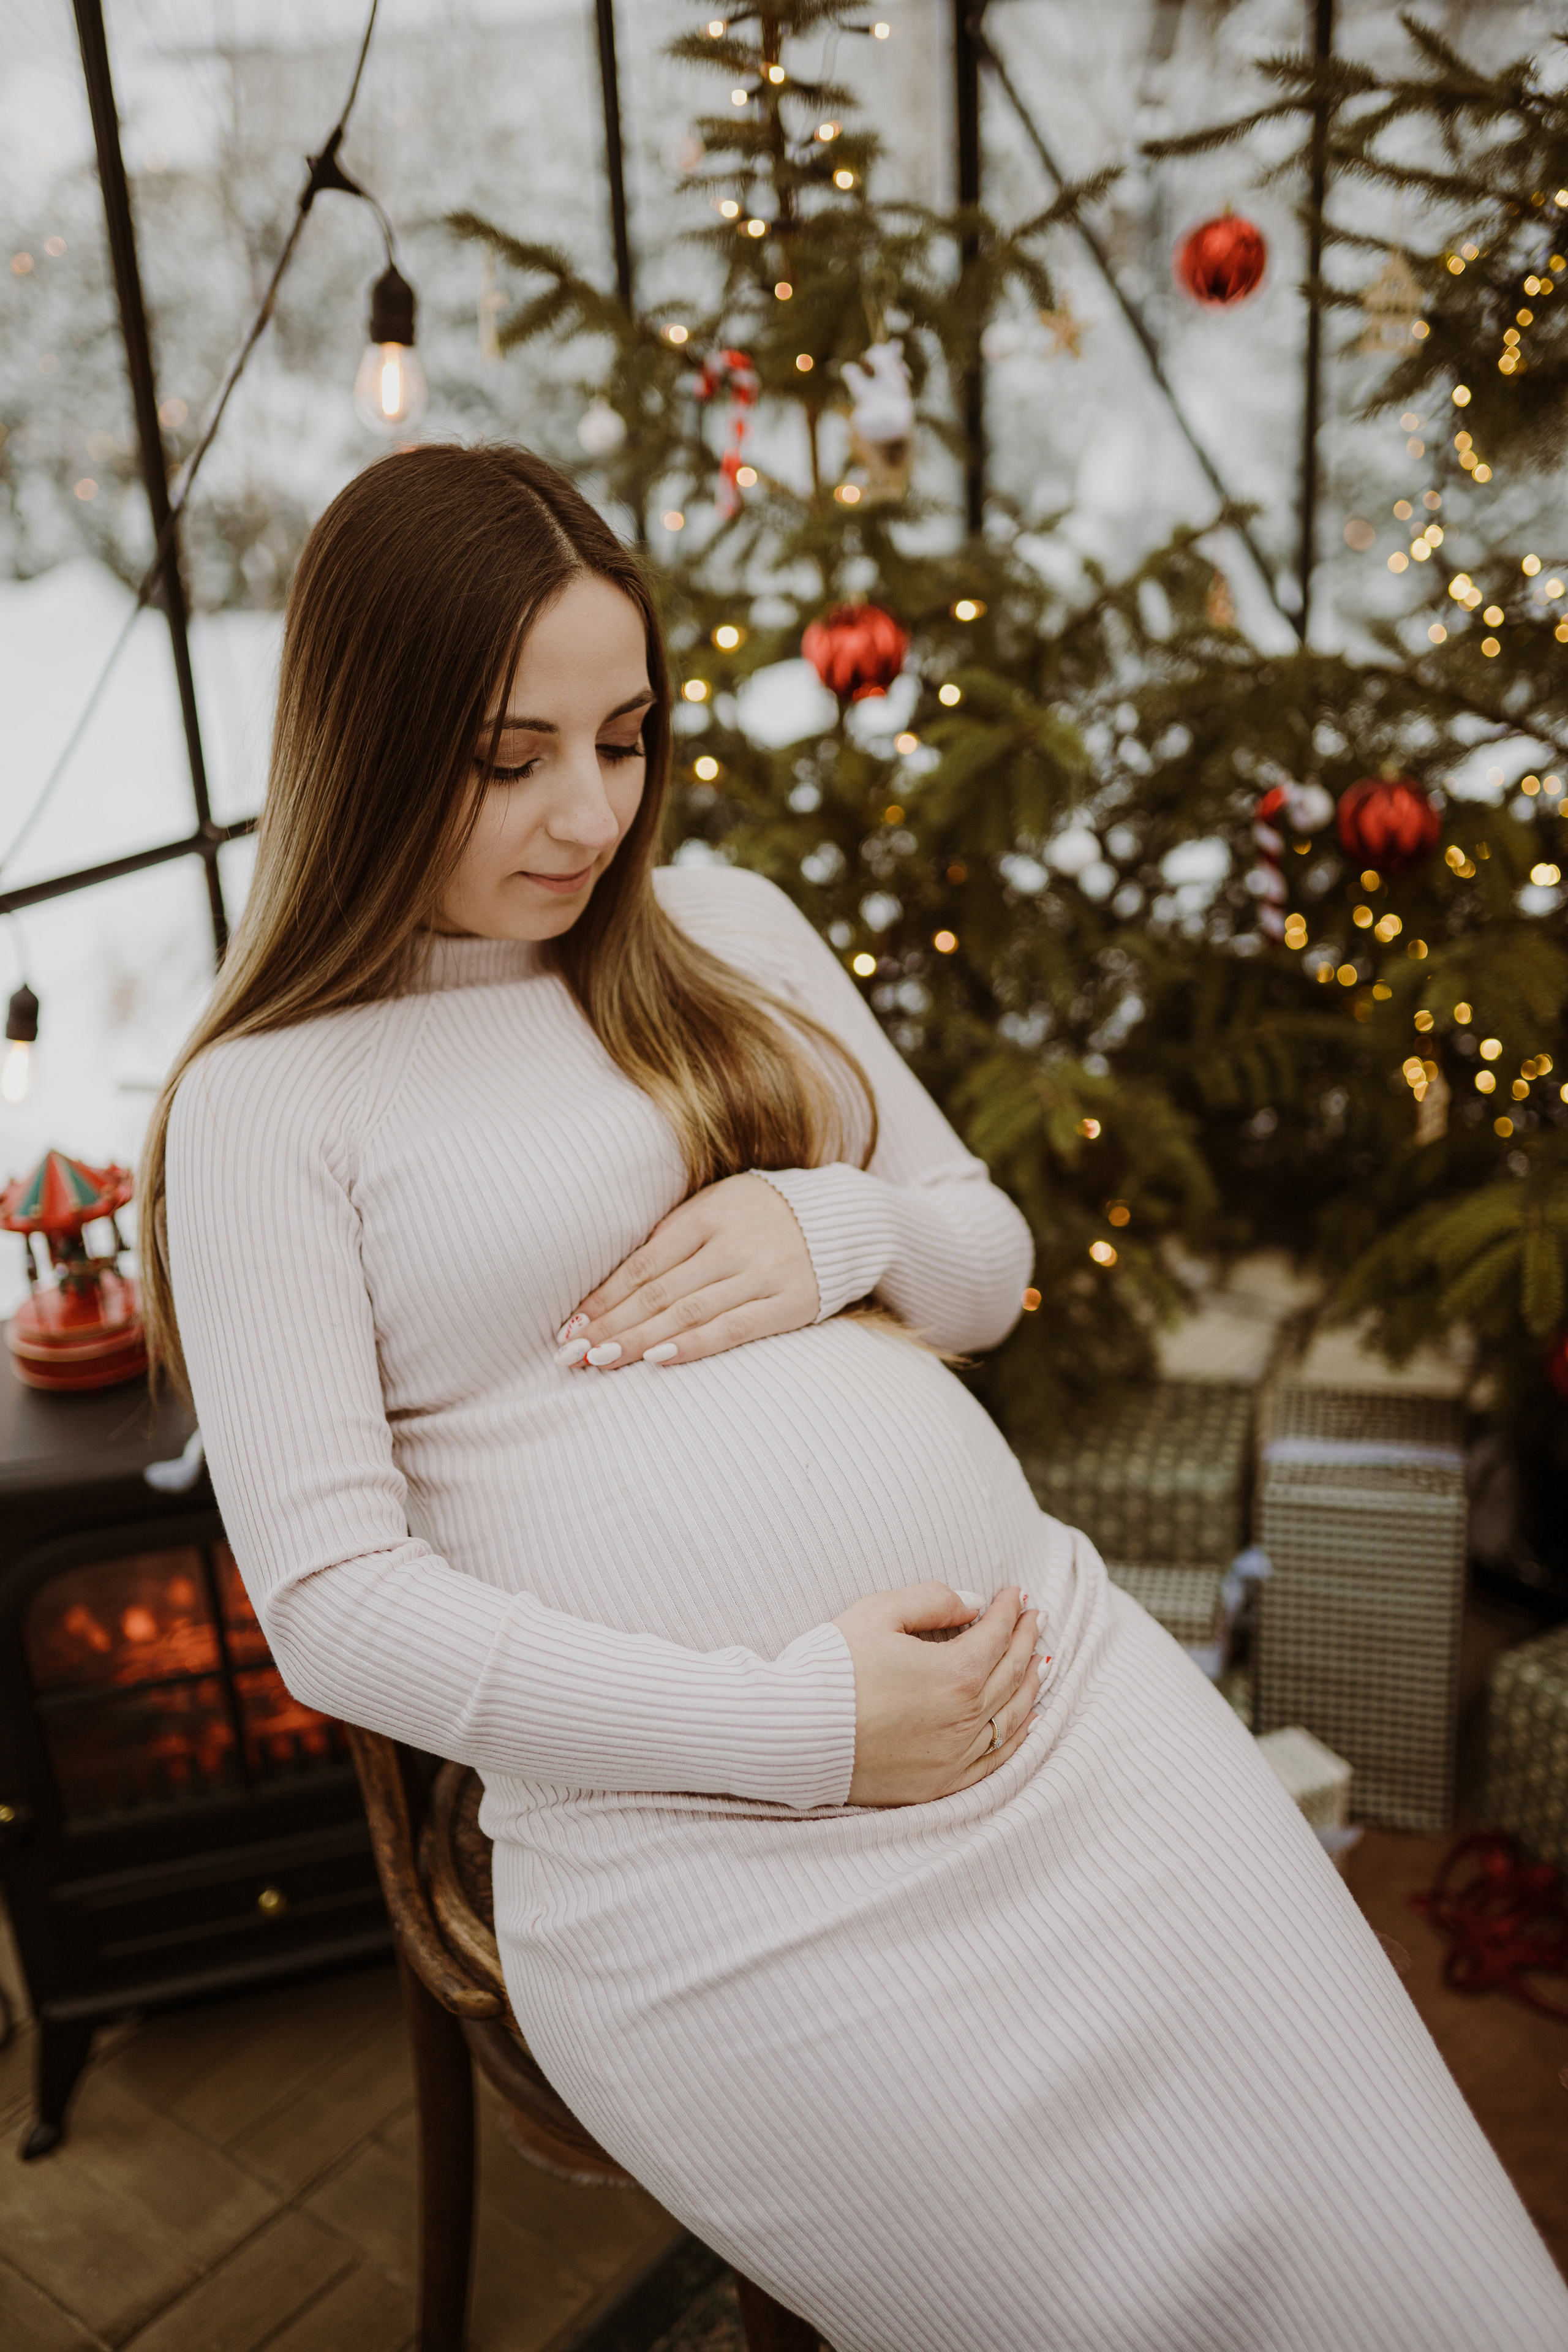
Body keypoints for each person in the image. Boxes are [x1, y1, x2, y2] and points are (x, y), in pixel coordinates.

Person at [147, 445, 1568, 2352]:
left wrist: (831, 1224)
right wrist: (808, 1726)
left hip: (1073, 1707)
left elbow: (982, 1268)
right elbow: (336, 1613)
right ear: (372, 742)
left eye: (626, 739)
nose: (591, 813)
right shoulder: (269, 1103)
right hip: (714, 1856)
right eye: (510, 757)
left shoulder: (721, 930)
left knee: (1443, 2268)